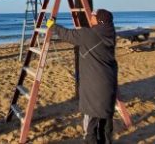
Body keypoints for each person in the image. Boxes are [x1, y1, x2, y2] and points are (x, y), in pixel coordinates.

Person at [46, 9, 118, 144]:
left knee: (91, 125)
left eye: (93, 16)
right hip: (109, 83)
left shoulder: (88, 34)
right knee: (105, 121)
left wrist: (52, 25)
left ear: (99, 20)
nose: (90, 17)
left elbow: (67, 34)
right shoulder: (109, 33)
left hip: (94, 87)